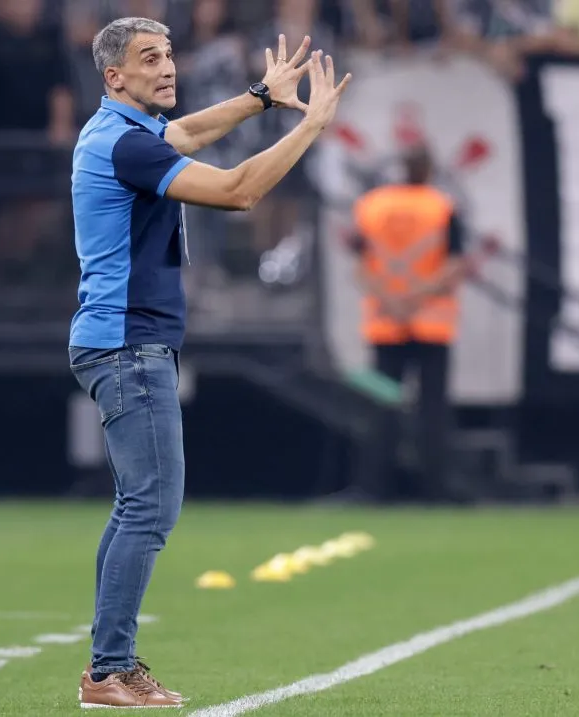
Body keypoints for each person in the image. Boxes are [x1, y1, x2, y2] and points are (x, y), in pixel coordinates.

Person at [68, 15, 351, 709]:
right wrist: (309, 126)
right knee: (150, 506)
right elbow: (239, 190)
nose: (167, 68)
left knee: (138, 505)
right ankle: (109, 670)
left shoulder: (117, 134)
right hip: (129, 342)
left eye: (168, 55)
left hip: (118, 338)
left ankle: (110, 663)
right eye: (148, 59)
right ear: (115, 77)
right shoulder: (127, 147)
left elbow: (188, 134)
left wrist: (259, 95)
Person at [349, 145, 469, 503]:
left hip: (386, 324)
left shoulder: (371, 206)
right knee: (433, 411)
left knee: (382, 411)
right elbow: (454, 265)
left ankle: (375, 489)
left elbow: (360, 266)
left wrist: (392, 302)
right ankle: (435, 490)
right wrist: (416, 298)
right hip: (432, 325)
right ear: (429, 169)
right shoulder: (443, 207)